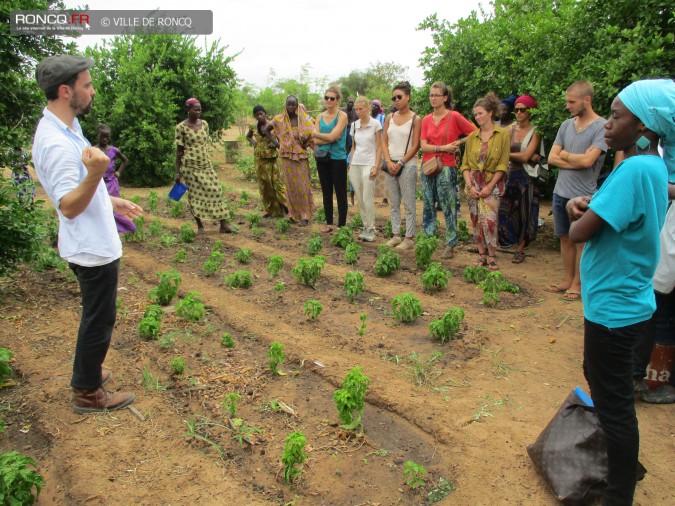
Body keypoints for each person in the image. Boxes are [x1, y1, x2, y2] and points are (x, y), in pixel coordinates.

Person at [566, 78, 672, 506]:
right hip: (629, 299)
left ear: (645, 127)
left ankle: (618, 494)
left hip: (612, 307)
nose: (608, 125)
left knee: (614, 405)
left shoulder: (632, 169)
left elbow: (578, 233)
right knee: (605, 383)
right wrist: (590, 205)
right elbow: (616, 213)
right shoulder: (654, 167)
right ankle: (618, 470)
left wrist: (577, 211)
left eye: (616, 116)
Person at [32, 55, 141, 413]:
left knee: (97, 316)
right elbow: (67, 205)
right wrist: (98, 172)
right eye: (87, 85)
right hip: (90, 248)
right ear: (66, 91)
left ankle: (88, 369)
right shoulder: (56, 143)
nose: (92, 91)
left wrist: (111, 201)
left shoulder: (67, 127)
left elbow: (83, 190)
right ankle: (87, 392)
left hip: (94, 239)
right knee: (99, 319)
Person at [546, 81, 607, 301]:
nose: (567, 106)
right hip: (560, 191)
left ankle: (578, 284)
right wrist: (577, 159)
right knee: (564, 237)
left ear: (586, 100)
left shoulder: (602, 126)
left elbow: (589, 161)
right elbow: (552, 158)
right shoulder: (565, 126)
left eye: (571, 101)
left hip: (583, 195)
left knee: (581, 240)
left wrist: (566, 155)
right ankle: (567, 279)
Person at [419, 81, 476, 258]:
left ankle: (451, 242)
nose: (433, 98)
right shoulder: (427, 119)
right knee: (428, 203)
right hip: (428, 165)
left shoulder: (454, 116)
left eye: (436, 95)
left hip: (447, 166)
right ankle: (429, 238)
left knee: (448, 204)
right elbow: (423, 146)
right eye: (431, 95)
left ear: (445, 97)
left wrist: (459, 143)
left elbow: (475, 132)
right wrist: (442, 148)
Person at [461, 92, 510, 270]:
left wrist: (490, 186)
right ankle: (481, 254)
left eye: (480, 113)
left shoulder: (502, 134)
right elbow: (465, 164)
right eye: (475, 114)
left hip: (493, 183)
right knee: (475, 220)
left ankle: (492, 256)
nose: (478, 117)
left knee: (490, 220)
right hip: (473, 182)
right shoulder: (472, 136)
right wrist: (469, 185)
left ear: (490, 113)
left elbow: (503, 165)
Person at [175, 98, 231, 234]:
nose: (199, 112)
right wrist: (177, 172)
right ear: (188, 110)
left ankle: (223, 224)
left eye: (200, 109)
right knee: (194, 195)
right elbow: (179, 151)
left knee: (216, 190)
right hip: (190, 167)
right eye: (196, 109)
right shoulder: (181, 127)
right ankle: (200, 225)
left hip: (205, 164)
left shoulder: (204, 124)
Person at [498, 95, 542, 263]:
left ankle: (521, 248)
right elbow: (522, 154)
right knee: (506, 209)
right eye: (516, 109)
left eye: (522, 109)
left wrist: (508, 155)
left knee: (526, 212)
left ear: (530, 111)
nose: (518, 112)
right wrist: (521, 156)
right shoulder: (511, 129)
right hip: (511, 174)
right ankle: (508, 241)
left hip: (527, 176)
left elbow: (525, 157)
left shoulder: (535, 131)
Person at [381, 81, 422, 250]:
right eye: (393, 98)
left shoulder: (415, 119)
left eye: (399, 97)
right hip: (390, 164)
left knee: (409, 203)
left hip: (408, 165)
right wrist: (389, 161)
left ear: (408, 97)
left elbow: (416, 145)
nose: (396, 100)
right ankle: (396, 235)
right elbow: (383, 140)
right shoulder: (389, 118)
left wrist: (401, 162)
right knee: (394, 202)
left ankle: (410, 237)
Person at [266, 95, 315, 226]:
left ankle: (305, 215)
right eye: (289, 104)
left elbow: (312, 135)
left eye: (294, 105)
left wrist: (307, 145)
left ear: (297, 105)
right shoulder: (279, 120)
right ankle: (293, 215)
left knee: (303, 186)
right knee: (290, 186)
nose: (291, 107)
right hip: (286, 157)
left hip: (301, 157)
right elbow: (266, 130)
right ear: (285, 105)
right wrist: (277, 144)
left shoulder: (303, 120)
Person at [312, 86, 349, 233]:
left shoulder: (342, 116)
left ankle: (341, 225)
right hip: (322, 158)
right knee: (326, 191)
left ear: (337, 100)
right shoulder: (320, 117)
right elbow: (315, 140)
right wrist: (330, 138)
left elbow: (323, 136)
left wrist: (320, 136)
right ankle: (329, 223)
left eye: (332, 98)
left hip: (338, 158)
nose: (328, 100)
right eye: (326, 97)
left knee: (340, 192)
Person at [348, 96, 383, 242]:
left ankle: (371, 228)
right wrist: (350, 162)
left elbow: (379, 146)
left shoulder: (375, 124)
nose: (358, 112)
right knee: (360, 198)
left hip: (369, 163)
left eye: (361, 109)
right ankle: (365, 226)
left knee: (368, 197)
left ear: (368, 108)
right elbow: (353, 146)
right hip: (356, 163)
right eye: (356, 109)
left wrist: (376, 166)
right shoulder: (354, 125)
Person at [245, 105, 287, 218]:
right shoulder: (253, 126)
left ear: (265, 113)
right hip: (259, 160)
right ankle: (270, 211)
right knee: (264, 186)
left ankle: (285, 209)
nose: (259, 116)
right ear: (255, 116)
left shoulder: (272, 125)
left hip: (272, 160)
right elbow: (248, 136)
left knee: (276, 184)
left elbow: (281, 138)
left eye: (261, 114)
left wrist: (276, 143)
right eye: (257, 115)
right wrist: (254, 143)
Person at [94, 124, 135, 234]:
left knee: (114, 206)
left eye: (107, 137)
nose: (105, 139)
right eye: (102, 136)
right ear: (97, 136)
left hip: (111, 182)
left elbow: (125, 161)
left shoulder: (113, 150)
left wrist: (118, 172)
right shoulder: (93, 150)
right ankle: (101, 228)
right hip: (98, 182)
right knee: (99, 205)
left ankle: (115, 228)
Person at [343, 97, 358, 206]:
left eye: (352, 103)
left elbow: (355, 123)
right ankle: (351, 199)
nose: (350, 104)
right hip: (346, 132)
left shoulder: (355, 112)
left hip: (353, 132)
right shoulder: (343, 112)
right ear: (346, 103)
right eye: (349, 102)